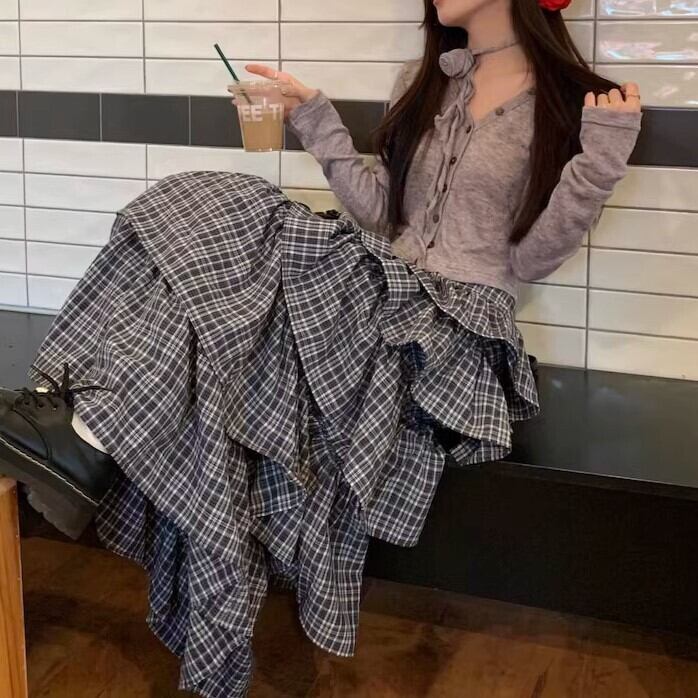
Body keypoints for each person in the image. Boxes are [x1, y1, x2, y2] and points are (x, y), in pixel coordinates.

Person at [0, 0, 642, 695]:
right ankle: (88, 419)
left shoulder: (570, 101)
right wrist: (314, 115)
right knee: (207, 213)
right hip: (383, 289)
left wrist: (601, 159)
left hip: (457, 324)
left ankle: (90, 435)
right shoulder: (425, 80)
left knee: (248, 225)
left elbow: (532, 260)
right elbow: (382, 215)